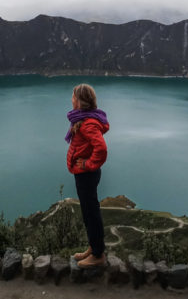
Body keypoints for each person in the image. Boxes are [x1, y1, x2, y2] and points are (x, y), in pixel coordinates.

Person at [65, 83, 110, 268]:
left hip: (86, 174)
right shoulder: (83, 120)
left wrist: (88, 164)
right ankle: (94, 247)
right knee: (88, 212)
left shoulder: (87, 123)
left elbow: (102, 148)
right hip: (85, 174)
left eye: (73, 96)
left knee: (91, 214)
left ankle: (98, 255)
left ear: (80, 101)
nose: (71, 99)